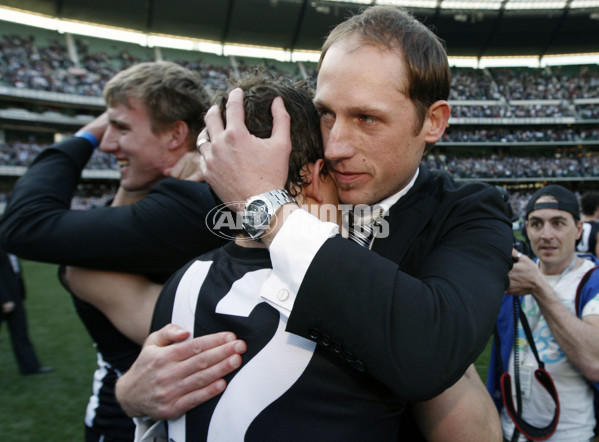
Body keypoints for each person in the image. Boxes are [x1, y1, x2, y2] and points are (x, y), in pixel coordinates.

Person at [117, 5, 512, 439]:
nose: (337, 144)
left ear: (433, 121)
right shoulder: (230, 196)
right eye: (326, 113)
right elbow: (53, 239)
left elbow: (431, 355)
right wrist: (133, 395)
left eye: (367, 118)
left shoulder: (469, 212)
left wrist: (264, 208)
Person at [0, 61, 245, 442]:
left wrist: (84, 137)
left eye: (122, 127)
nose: (108, 142)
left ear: (175, 134)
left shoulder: (179, 208)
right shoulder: (209, 196)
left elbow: (25, 225)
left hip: (130, 421)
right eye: (107, 127)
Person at [487, 184, 599, 441]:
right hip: (509, 428)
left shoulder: (593, 280)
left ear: (578, 229)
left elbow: (596, 362)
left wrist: (539, 287)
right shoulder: (514, 275)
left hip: (571, 433)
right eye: (536, 224)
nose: (546, 235)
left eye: (558, 223)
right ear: (526, 229)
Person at [0, 245, 52, 375]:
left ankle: (30, 367)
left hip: (15, 294)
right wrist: (4, 299)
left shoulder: (8, 243)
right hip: (4, 297)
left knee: (20, 332)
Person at [576, 190, 599, 257]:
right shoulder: (597, 228)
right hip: (592, 266)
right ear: (597, 207)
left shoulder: (574, 225)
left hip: (575, 264)